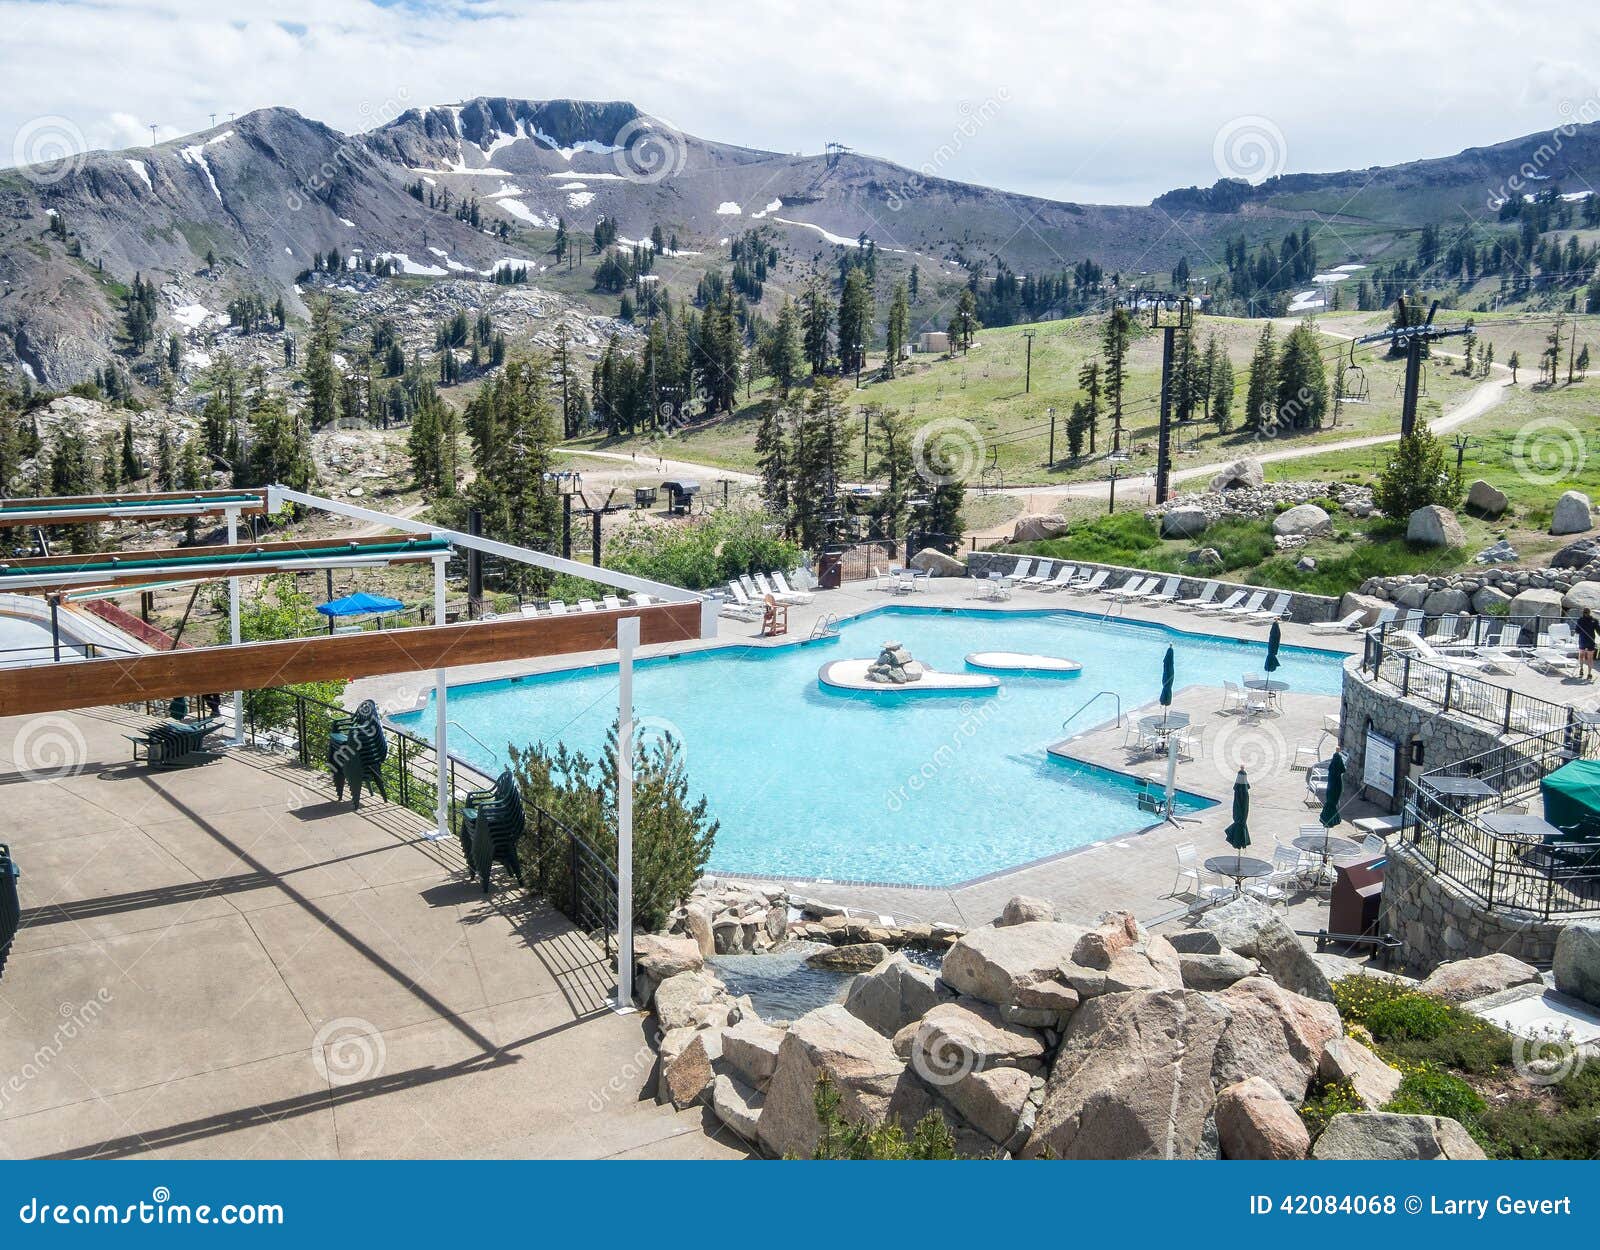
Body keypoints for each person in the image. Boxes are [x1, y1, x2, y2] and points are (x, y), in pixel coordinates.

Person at [1578, 608, 1598, 681]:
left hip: (1582, 641)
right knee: (1590, 658)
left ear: (1583, 613)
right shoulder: (1594, 620)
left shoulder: (1580, 620)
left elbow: (1577, 631)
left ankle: (1581, 669)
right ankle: (1589, 673)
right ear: (1590, 613)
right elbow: (1599, 631)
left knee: (1581, 655)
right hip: (1590, 641)